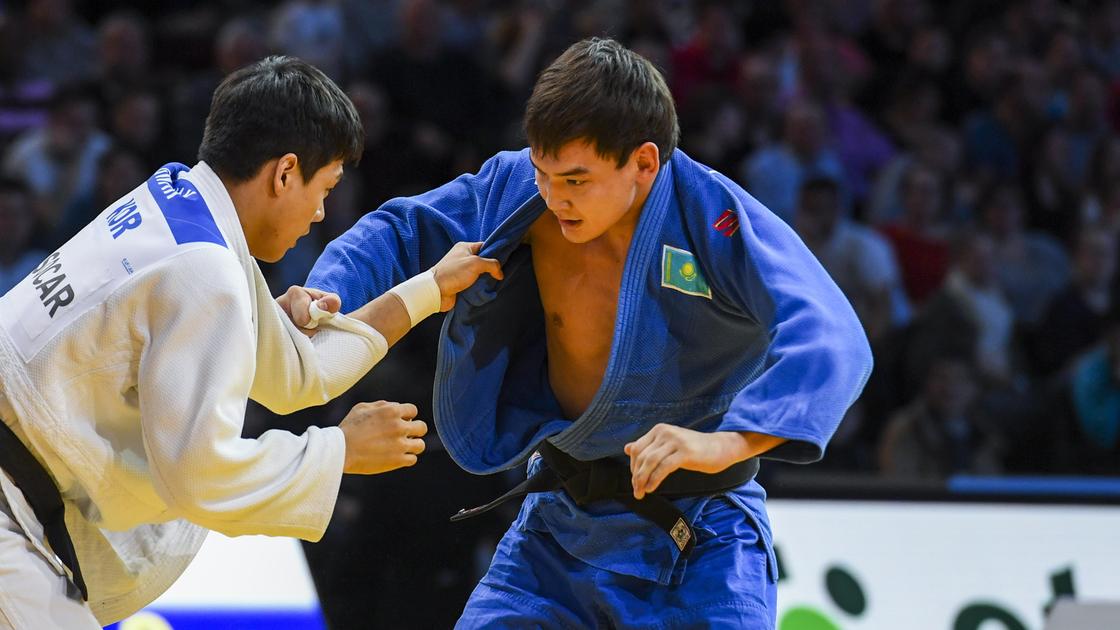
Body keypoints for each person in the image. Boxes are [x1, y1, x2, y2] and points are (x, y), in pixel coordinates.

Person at [305, 38, 871, 628]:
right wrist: (325, 292)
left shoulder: (714, 217)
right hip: (560, 525)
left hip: (703, 536)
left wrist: (727, 442)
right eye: (543, 172)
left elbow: (832, 335)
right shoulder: (521, 191)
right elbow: (401, 228)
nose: (555, 197)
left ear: (644, 163)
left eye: (576, 180)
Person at [0, 56, 501, 628]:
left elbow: (297, 375)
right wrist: (339, 450)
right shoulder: (204, 270)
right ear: (285, 172)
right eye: (324, 188)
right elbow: (201, 477)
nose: (320, 213)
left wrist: (430, 288)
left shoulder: (177, 200)